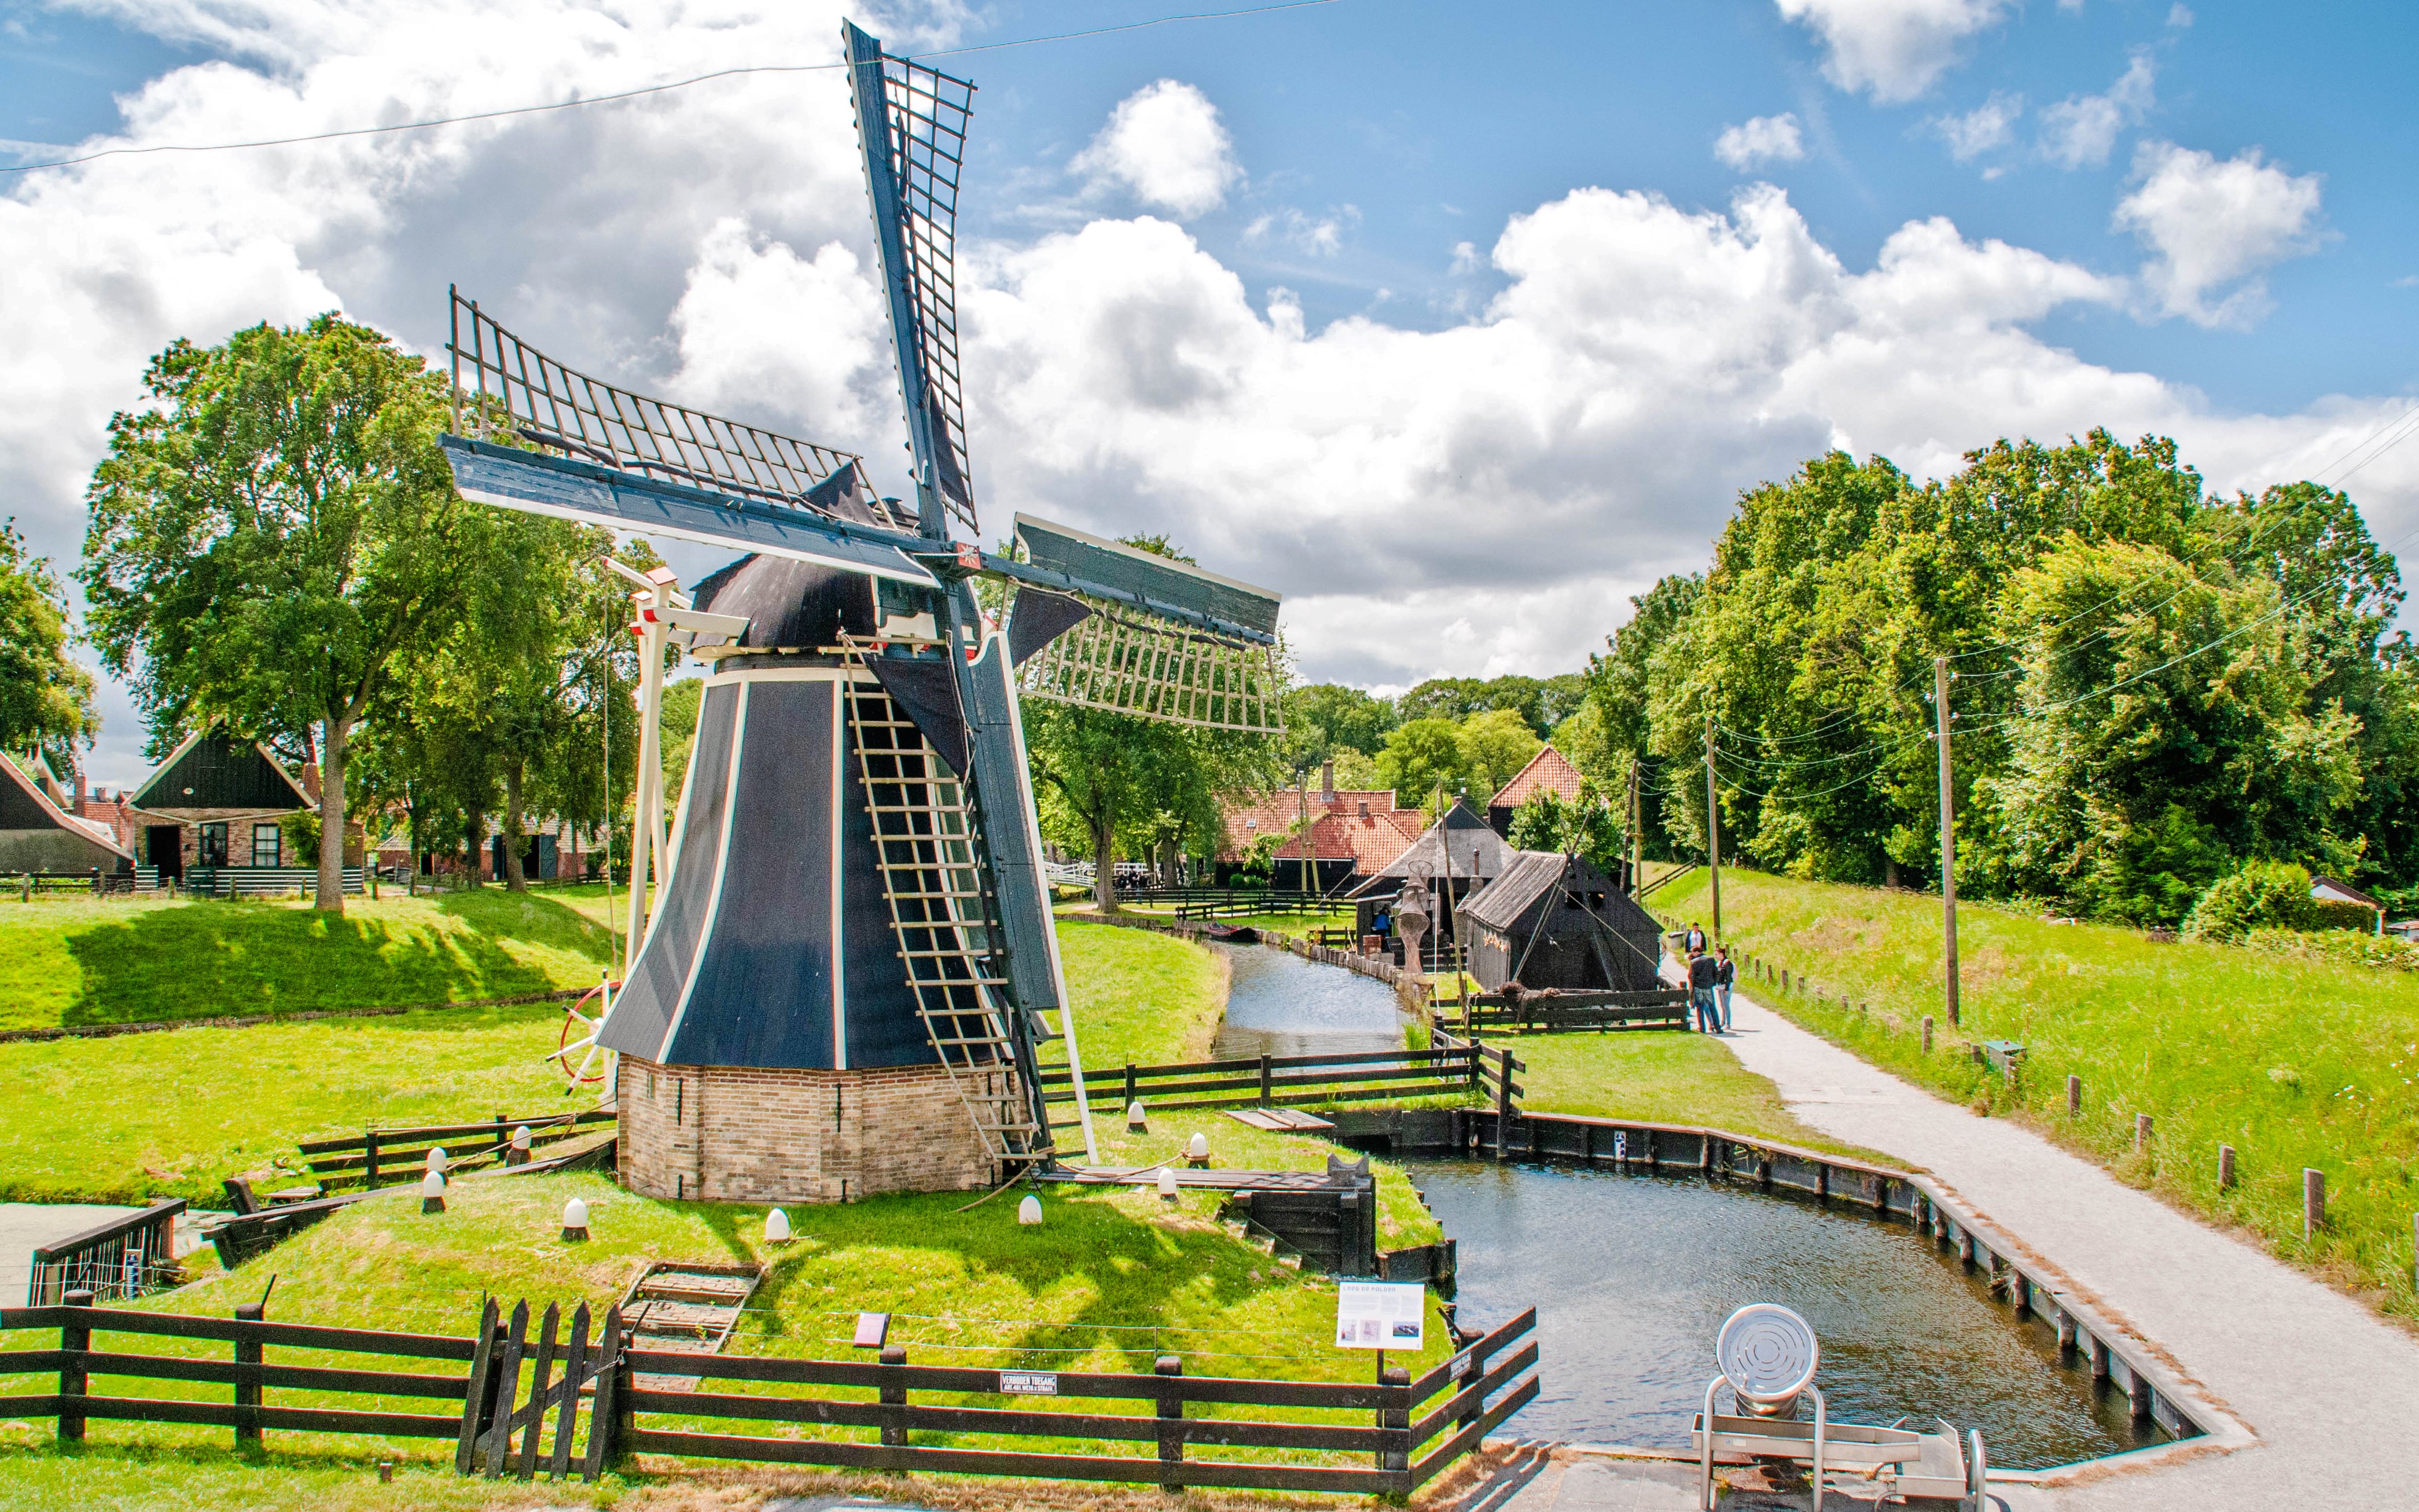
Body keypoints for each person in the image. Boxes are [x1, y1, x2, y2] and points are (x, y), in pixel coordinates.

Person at [1687, 947, 1720, 1032]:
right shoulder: (1711, 960)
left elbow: (1692, 977)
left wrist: (1693, 988)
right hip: (1708, 987)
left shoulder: (1694, 962)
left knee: (1700, 1008)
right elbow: (1716, 973)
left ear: (1697, 953)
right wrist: (1714, 983)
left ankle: (1702, 1028)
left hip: (1699, 987)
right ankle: (1718, 1028)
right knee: (1712, 1007)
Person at [1714, 945, 1735, 1033]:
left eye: (1717, 954)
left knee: (1726, 1005)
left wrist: (1726, 989)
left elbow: (1728, 977)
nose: (1716, 956)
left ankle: (1728, 1023)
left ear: (1721, 954)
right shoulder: (1719, 963)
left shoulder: (1727, 963)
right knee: (1722, 1005)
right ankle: (1723, 1021)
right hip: (1720, 987)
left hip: (1726, 987)